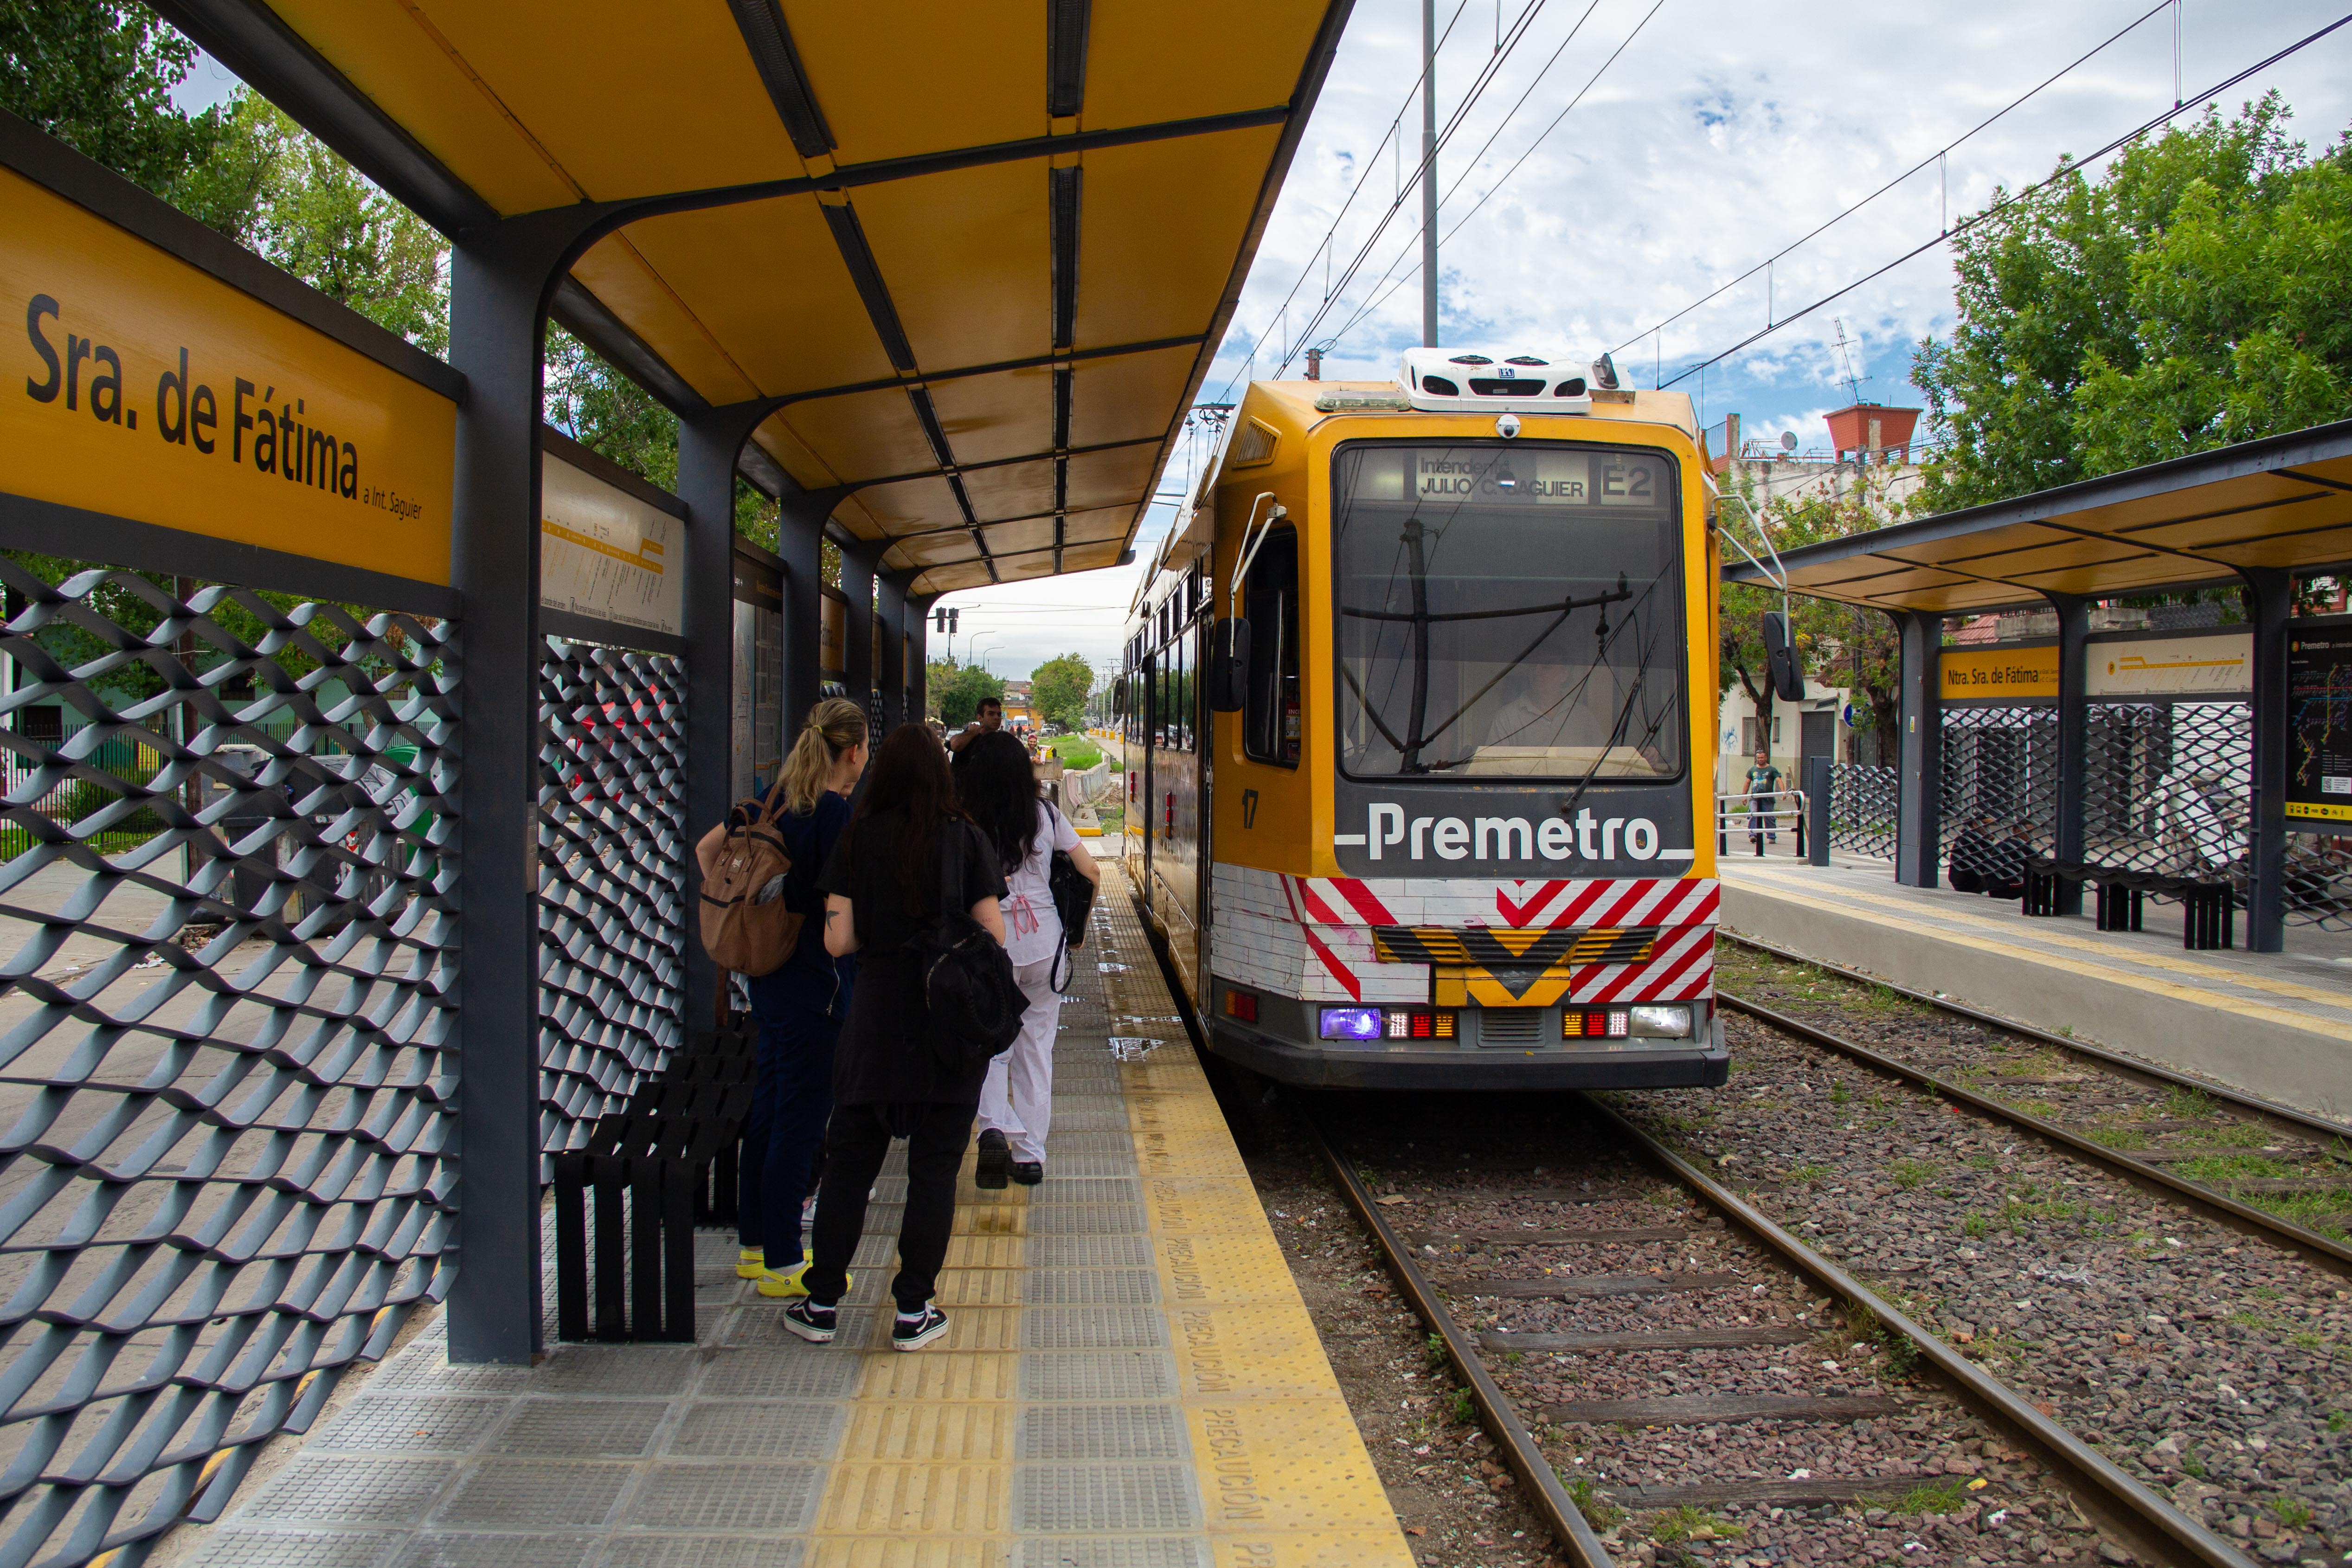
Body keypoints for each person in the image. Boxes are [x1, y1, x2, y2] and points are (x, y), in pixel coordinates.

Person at [786, 723, 1009, 1351]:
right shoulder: (965, 839)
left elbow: (837, 940)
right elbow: (994, 935)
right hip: (946, 1029)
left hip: (876, 1024)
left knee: (850, 1168)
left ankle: (822, 1302)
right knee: (933, 1173)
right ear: (941, 776)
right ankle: (914, 1312)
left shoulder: (857, 838)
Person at [696, 697, 867, 1299]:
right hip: (813, 989)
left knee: (768, 1112)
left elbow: (706, 852)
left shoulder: (768, 799)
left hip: (765, 980)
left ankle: (753, 1246)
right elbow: (837, 913)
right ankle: (784, 1260)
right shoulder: (831, 815)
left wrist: (752, 916)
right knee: (799, 1122)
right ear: (853, 752)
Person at [956, 731, 1099, 1188]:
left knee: (991, 1046)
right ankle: (1031, 1155)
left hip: (987, 946)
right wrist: (1075, 933)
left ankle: (994, 1126)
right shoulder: (1045, 813)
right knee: (1036, 1050)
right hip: (1043, 947)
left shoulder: (965, 819)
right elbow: (1090, 871)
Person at [1743, 747, 1784, 851]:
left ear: (1766, 758)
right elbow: (1747, 783)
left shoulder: (1772, 770)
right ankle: (1753, 835)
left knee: (1769, 817)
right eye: (1759, 758)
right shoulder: (1752, 770)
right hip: (1755, 798)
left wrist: (1784, 792)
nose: (1760, 760)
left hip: (1767, 799)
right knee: (1754, 815)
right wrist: (1744, 796)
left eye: (1762, 758)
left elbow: (1779, 780)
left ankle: (1771, 836)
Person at [947, 696, 1003, 760]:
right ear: (980, 718)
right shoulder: (969, 738)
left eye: (999, 714)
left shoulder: (1001, 741)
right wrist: (972, 732)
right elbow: (955, 745)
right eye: (991, 714)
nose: (997, 718)